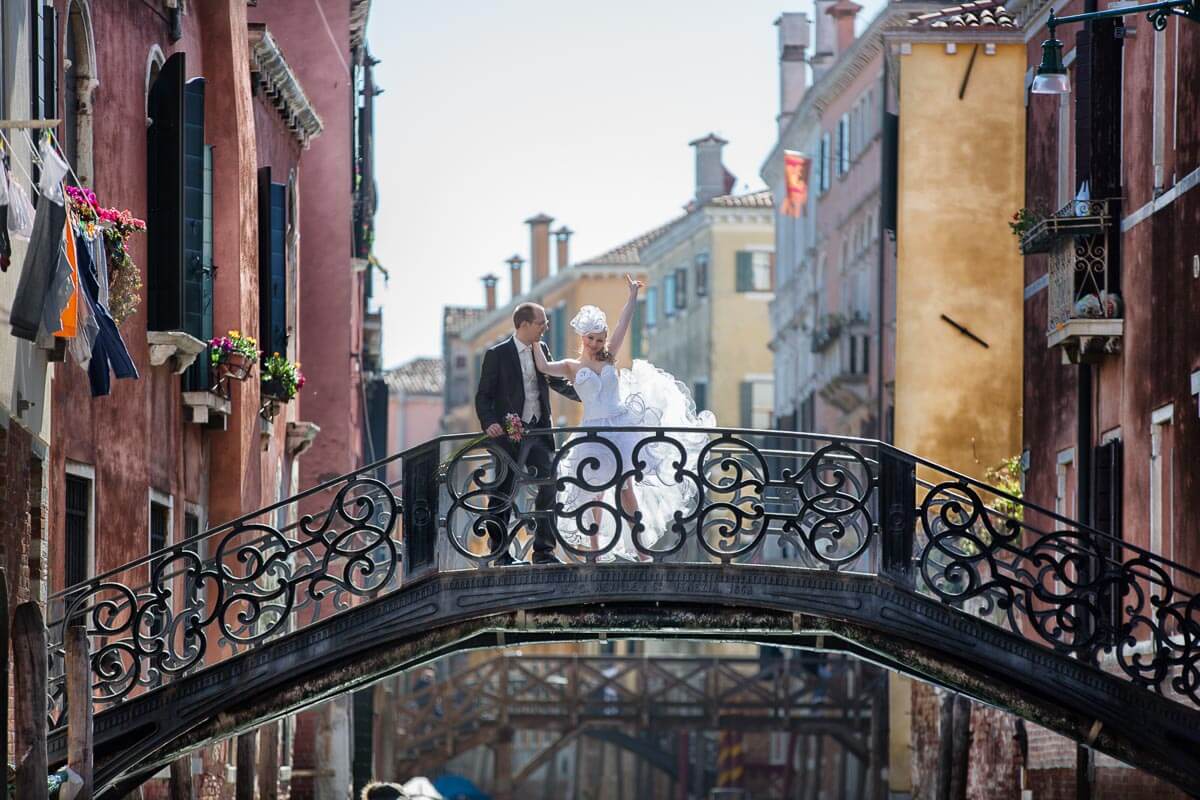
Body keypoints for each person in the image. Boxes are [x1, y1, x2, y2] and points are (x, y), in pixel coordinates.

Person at [531, 274, 715, 559]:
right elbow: (542, 366)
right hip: (591, 431)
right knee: (593, 491)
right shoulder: (570, 366)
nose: (597, 343)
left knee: (626, 486)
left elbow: (622, 325)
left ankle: (641, 550)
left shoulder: (608, 357)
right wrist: (534, 338)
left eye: (601, 339)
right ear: (583, 338)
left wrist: (632, 296)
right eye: (592, 339)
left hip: (619, 425)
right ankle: (595, 550)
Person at [474, 301, 580, 565]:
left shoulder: (541, 349)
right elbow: (483, 396)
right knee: (503, 491)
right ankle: (499, 554)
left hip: (539, 432)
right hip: (509, 437)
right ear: (523, 325)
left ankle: (544, 551)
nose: (546, 327)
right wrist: (489, 422)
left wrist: (588, 395)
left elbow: (554, 381)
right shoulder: (496, 355)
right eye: (541, 323)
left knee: (550, 482)